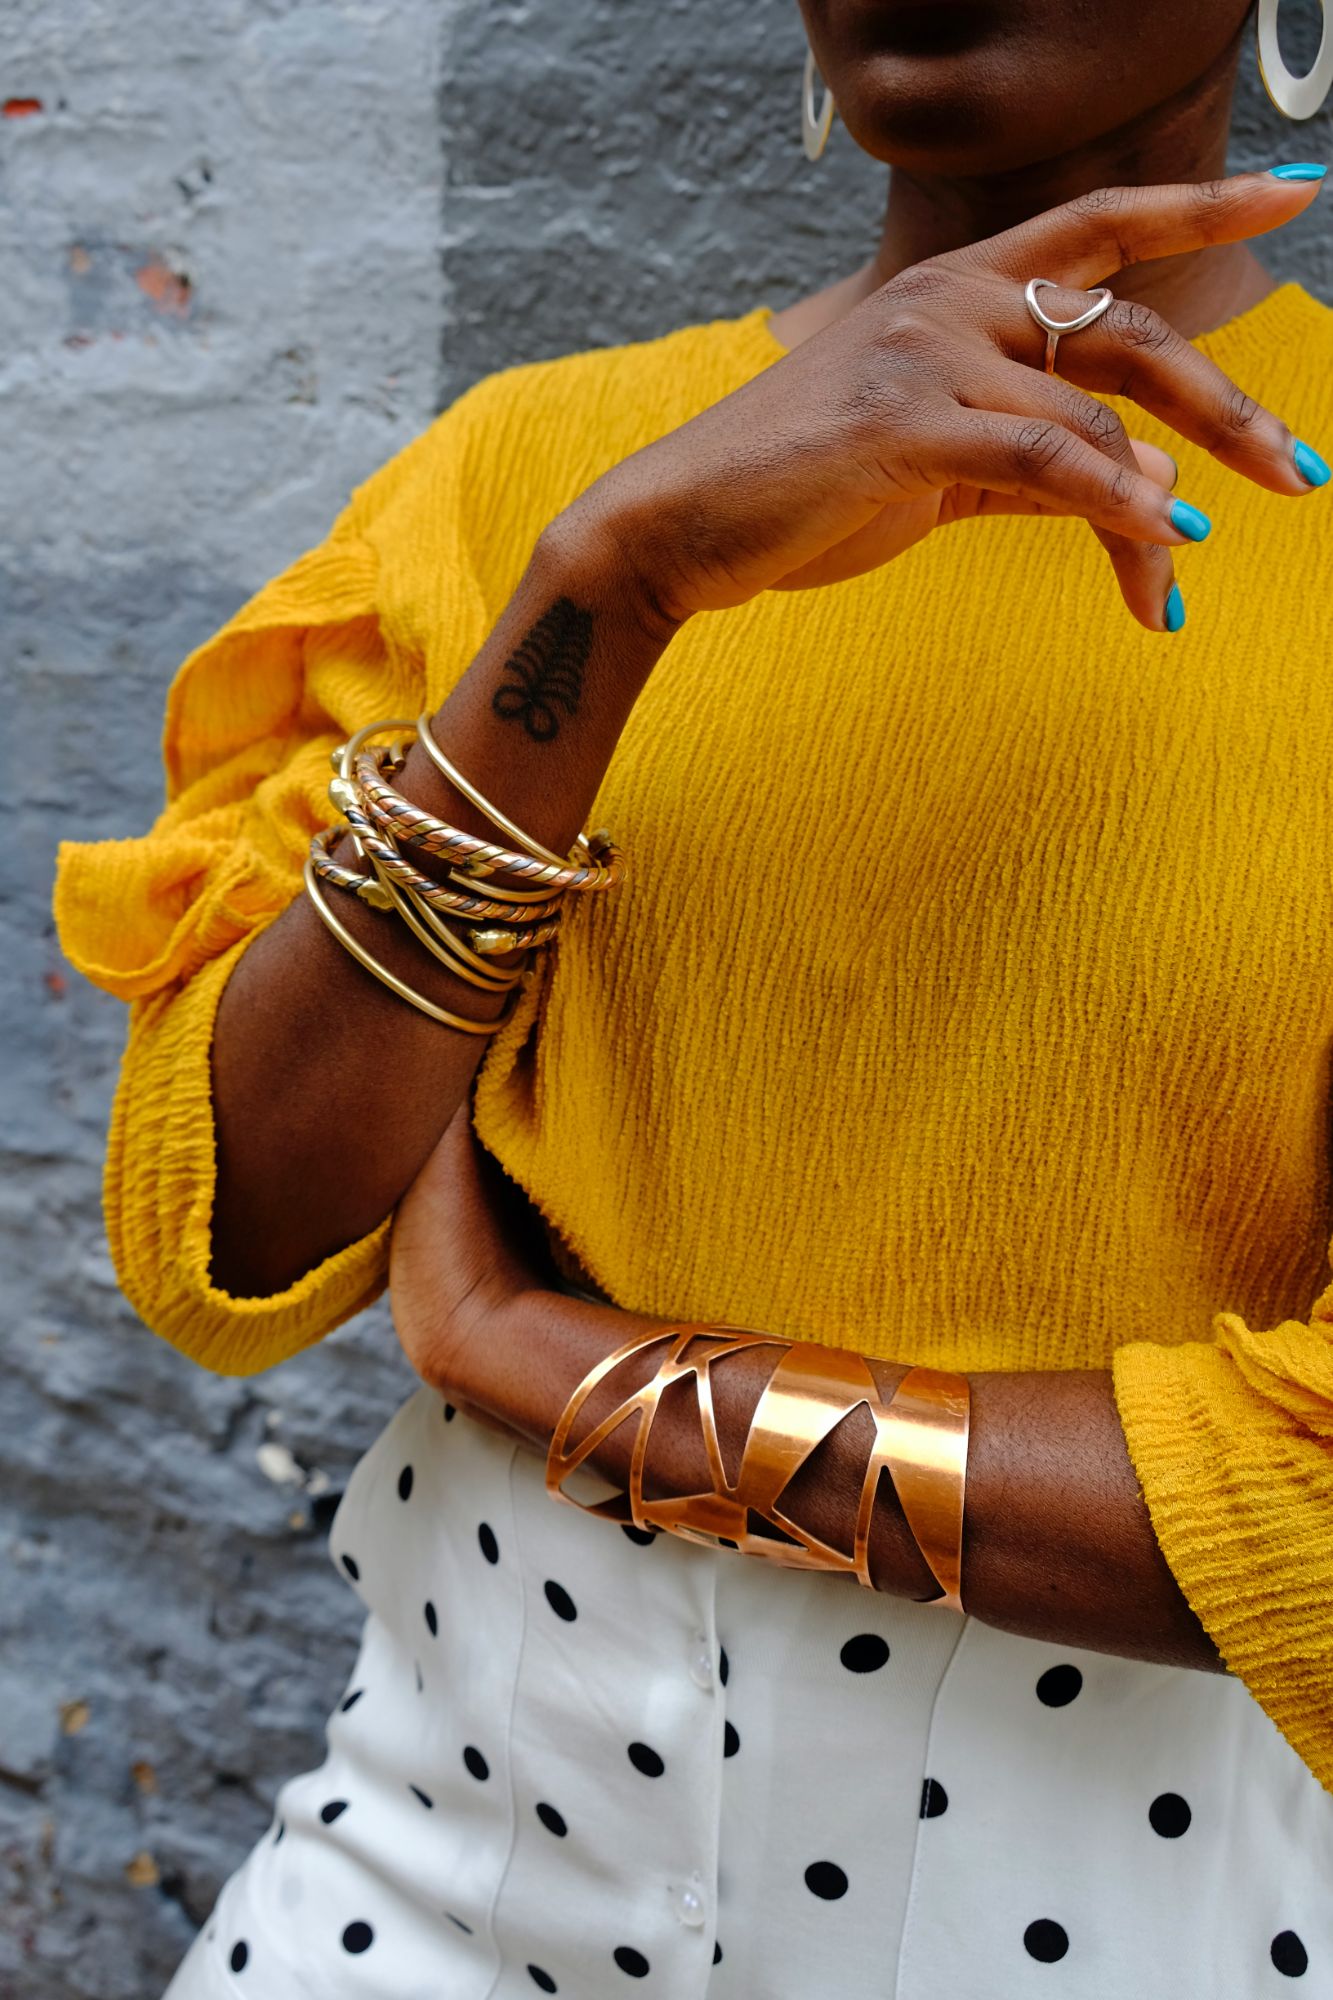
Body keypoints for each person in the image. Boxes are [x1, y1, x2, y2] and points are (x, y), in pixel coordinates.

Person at [52, 0, 1333, 1993]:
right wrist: (612, 583)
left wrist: (572, 1376)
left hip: (1120, 1907)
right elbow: (224, 1228)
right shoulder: (526, 479)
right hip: (435, 1858)